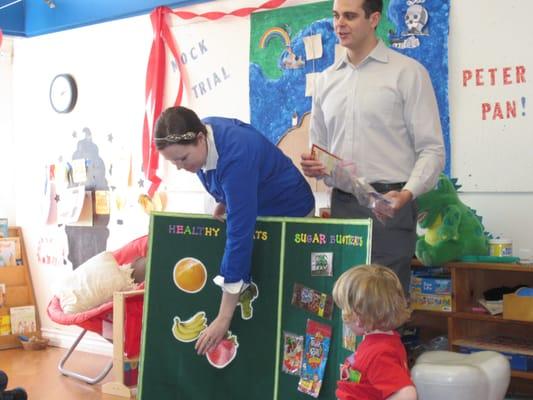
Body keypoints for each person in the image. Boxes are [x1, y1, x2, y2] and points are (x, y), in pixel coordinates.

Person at [300, 0, 445, 294]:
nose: (339, 23)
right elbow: (321, 149)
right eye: (336, 16)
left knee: (385, 307)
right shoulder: (326, 81)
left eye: (350, 16)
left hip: (392, 206)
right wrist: (317, 166)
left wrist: (405, 195)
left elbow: (432, 151)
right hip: (343, 205)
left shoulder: (408, 73)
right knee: (346, 304)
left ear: (374, 18)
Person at [154, 106, 315, 355]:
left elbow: (239, 237)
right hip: (262, 206)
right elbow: (221, 176)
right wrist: (226, 198)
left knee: (281, 292)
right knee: (256, 288)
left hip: (291, 211)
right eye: (172, 161)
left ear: (200, 138)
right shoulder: (200, 134)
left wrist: (223, 317)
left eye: (183, 159)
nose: (179, 167)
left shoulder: (237, 152)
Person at [332, 264, 416, 400]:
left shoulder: (379, 353)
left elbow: (407, 394)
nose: (343, 316)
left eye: (344, 309)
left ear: (358, 317)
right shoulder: (385, 340)